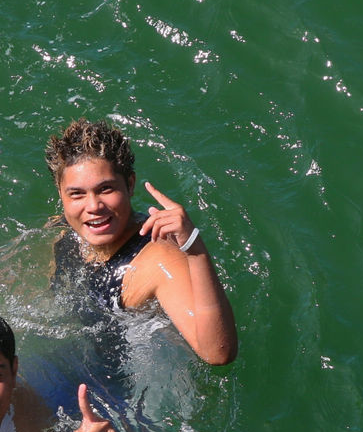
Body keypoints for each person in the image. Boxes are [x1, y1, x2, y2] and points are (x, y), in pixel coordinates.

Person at [45, 117, 238, 366]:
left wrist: (195, 249)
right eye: (77, 194)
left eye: (106, 189)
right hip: (82, 358)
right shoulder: (65, 229)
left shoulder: (157, 258)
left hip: (130, 386)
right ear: (61, 194)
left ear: (130, 184)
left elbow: (218, 353)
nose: (93, 206)